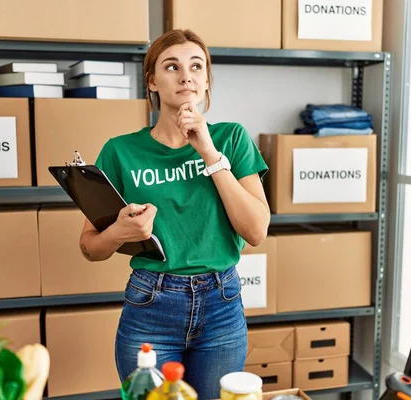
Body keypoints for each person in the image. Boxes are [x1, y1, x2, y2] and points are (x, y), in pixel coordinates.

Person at [78, 28, 270, 399]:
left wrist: (210, 154)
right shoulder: (120, 152)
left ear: (206, 80)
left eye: (196, 66)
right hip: (151, 306)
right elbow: (90, 247)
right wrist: (120, 231)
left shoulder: (231, 138)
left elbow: (256, 230)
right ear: (152, 80)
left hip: (221, 304)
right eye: (172, 66)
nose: (186, 76)